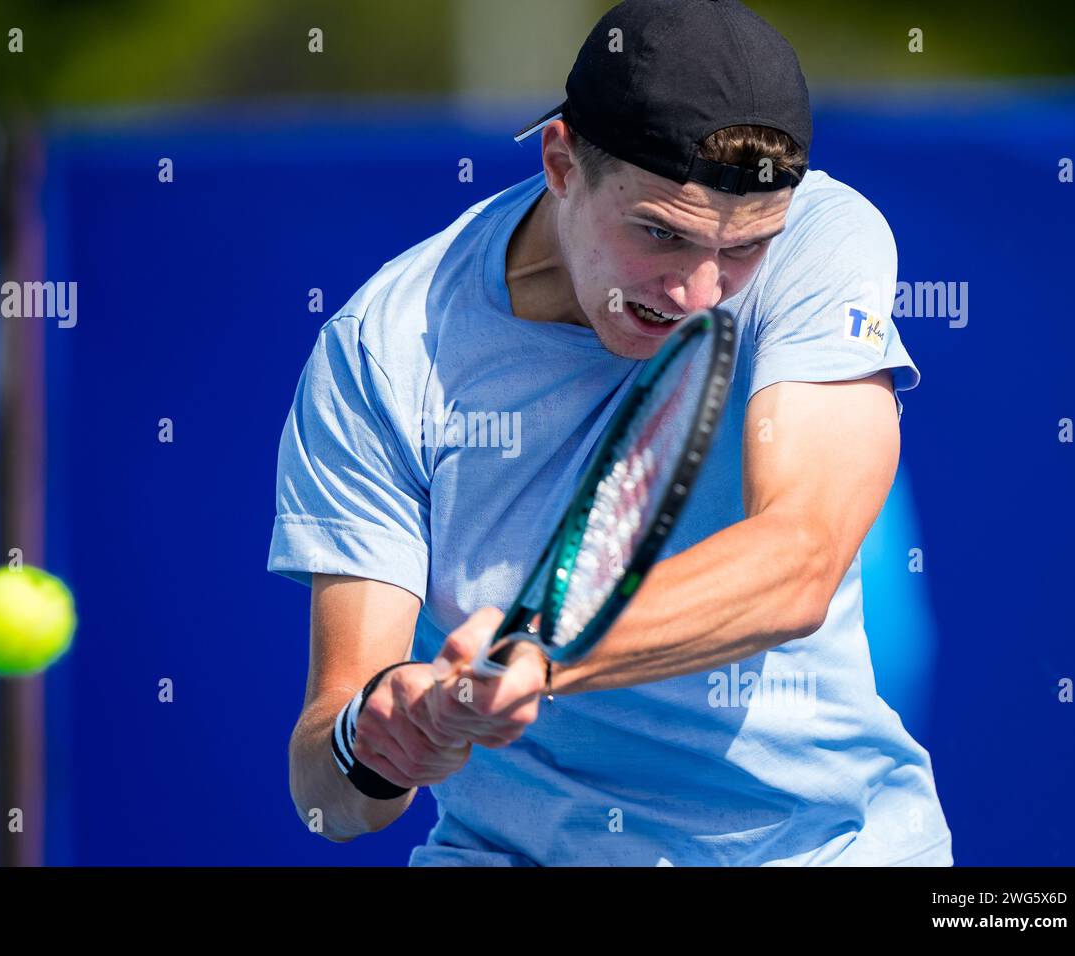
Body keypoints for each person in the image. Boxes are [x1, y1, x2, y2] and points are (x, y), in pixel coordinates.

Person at [269, 0, 953, 866]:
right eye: (660, 234)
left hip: (826, 850)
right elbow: (327, 796)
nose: (700, 292)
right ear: (561, 163)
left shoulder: (824, 235)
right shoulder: (382, 353)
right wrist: (378, 739)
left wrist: (538, 653)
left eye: (744, 249)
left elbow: (799, 560)